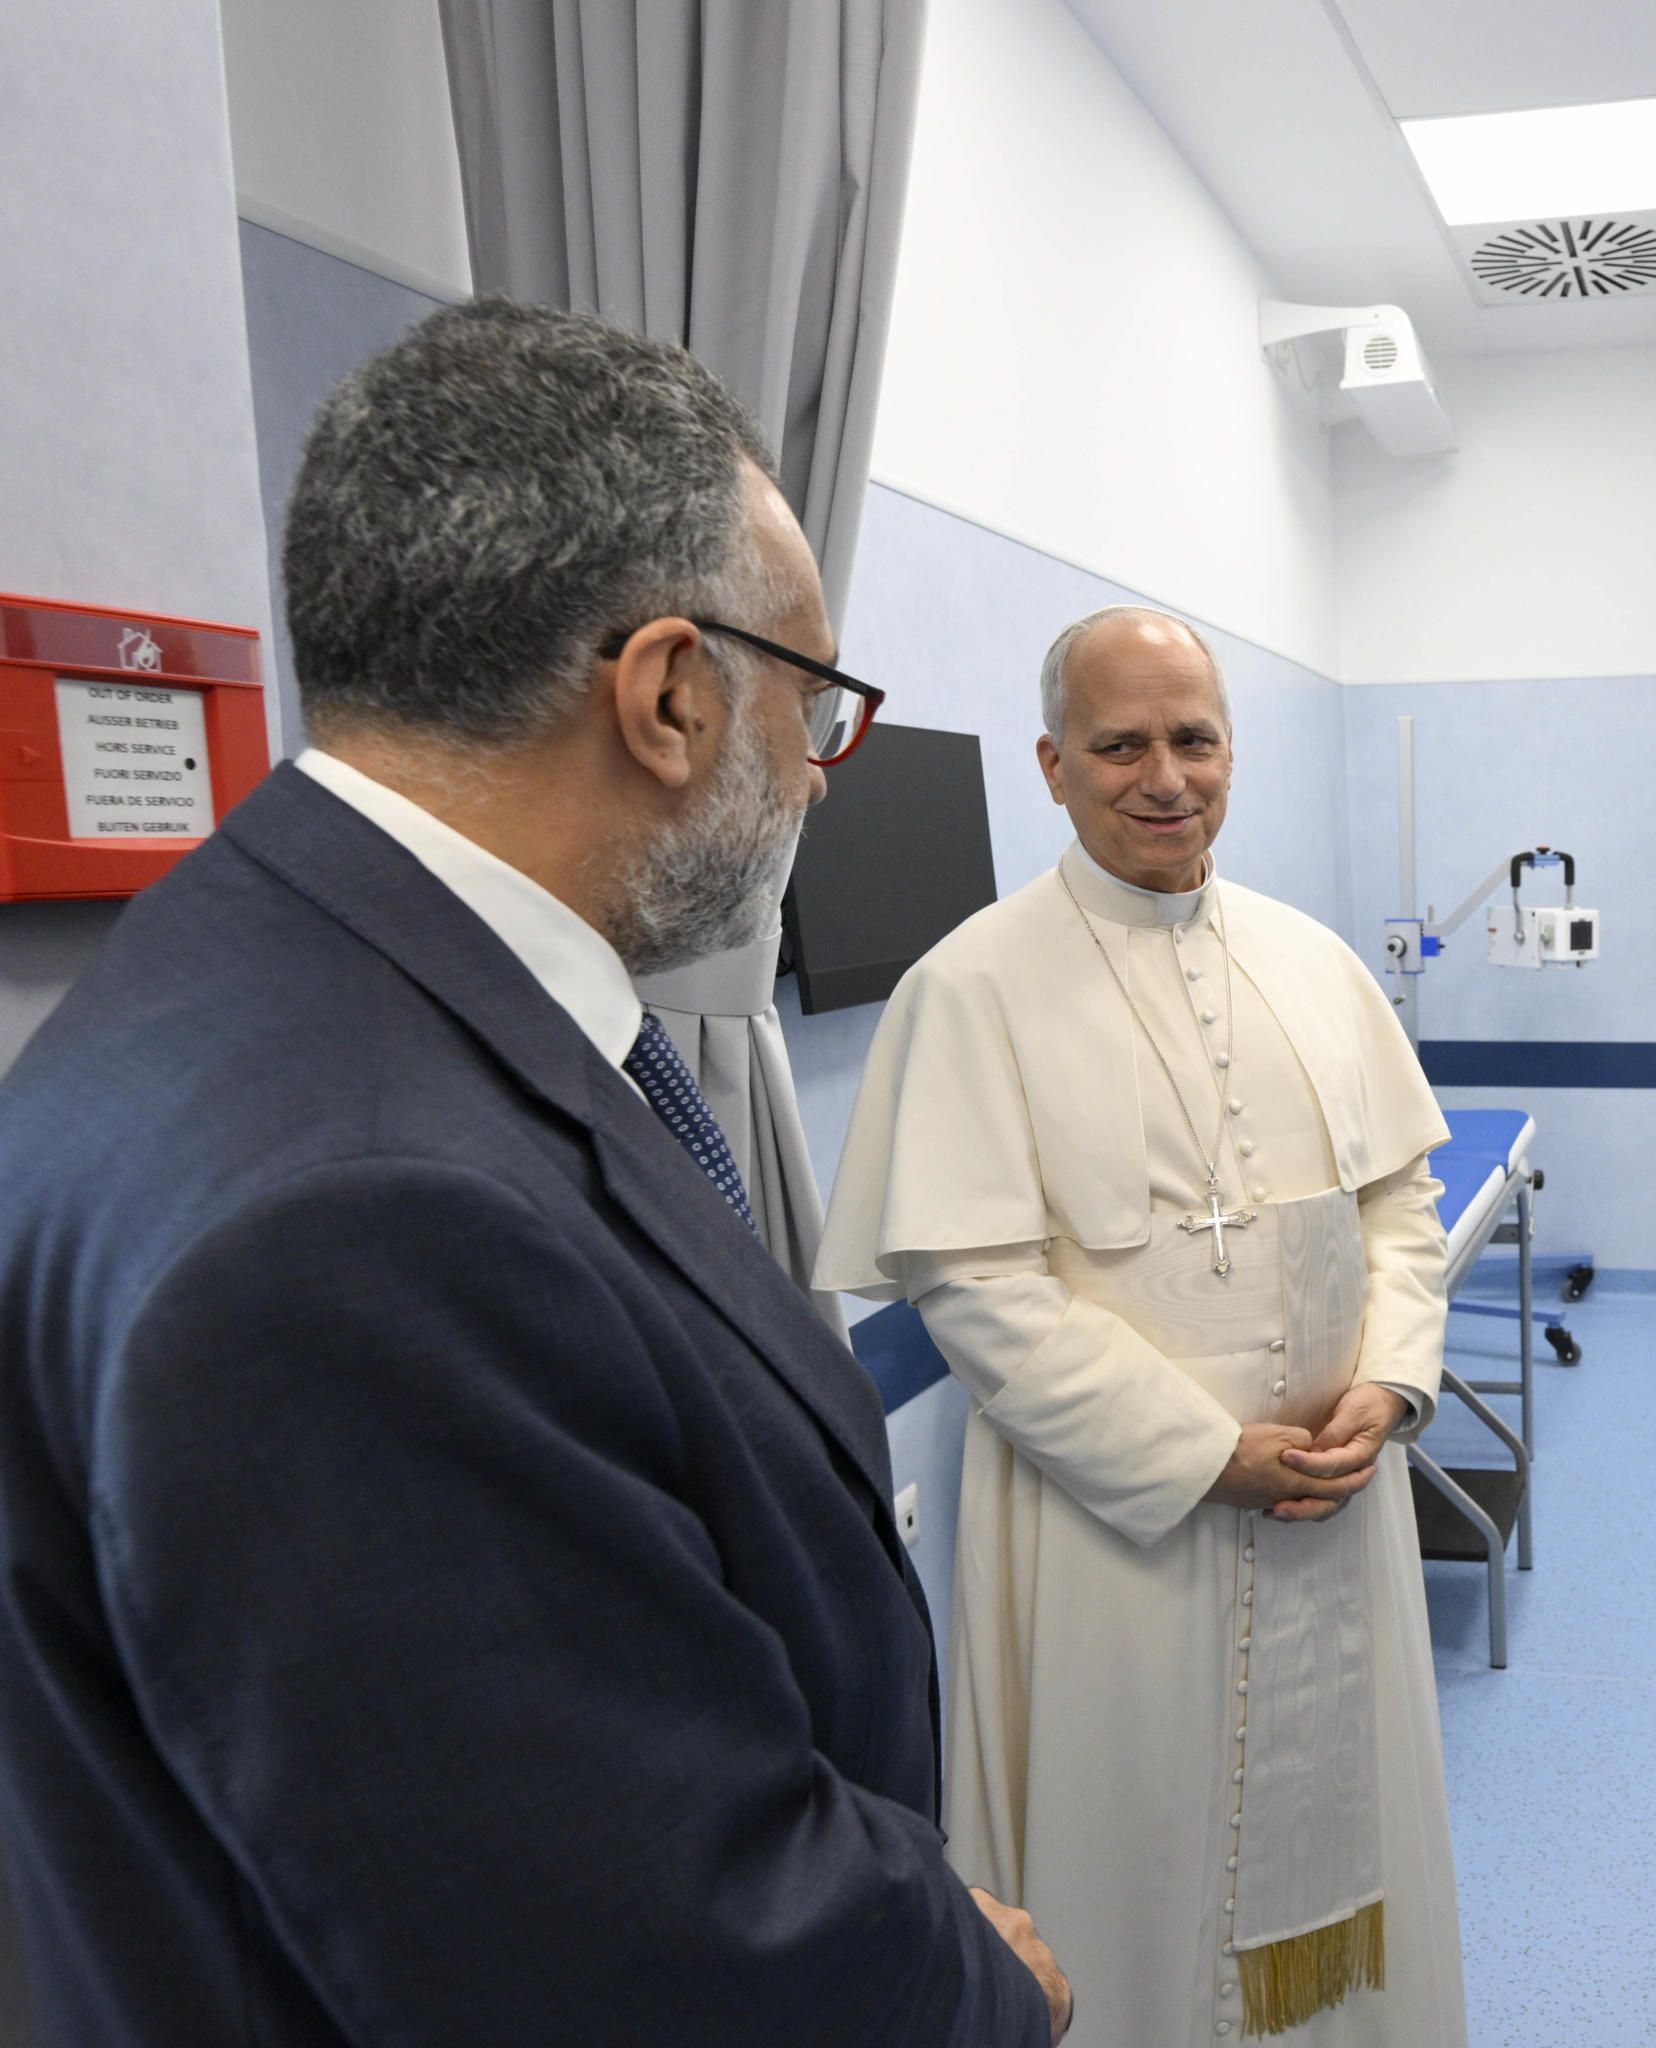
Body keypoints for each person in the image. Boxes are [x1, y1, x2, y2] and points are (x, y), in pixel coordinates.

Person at [0, 302, 1064, 2044]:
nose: (813, 768)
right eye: (815, 704)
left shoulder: (248, 976)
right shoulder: (355, 1228)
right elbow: (627, 1953)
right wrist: (968, 1986)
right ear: (667, 693)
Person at [814, 605, 1466, 2045]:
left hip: (1338, 1504)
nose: (1163, 775)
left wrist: (1396, 1384)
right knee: (1140, 1859)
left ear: (1232, 751)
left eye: (1194, 739)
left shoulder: (1317, 964)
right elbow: (976, 1291)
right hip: (1118, 1534)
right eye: (1121, 745)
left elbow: (1401, 1207)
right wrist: (1200, 1452)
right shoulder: (969, 987)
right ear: (1053, 764)